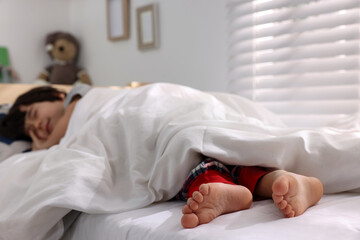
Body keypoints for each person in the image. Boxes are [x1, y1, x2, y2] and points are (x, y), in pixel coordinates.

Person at [0, 85, 324, 229]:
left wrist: (42, 144)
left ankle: (241, 181)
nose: (36, 127)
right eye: (30, 130)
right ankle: (281, 180)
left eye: (33, 113)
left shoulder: (79, 98)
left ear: (54, 95)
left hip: (155, 108)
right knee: (202, 154)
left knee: (186, 139)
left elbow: (64, 126)